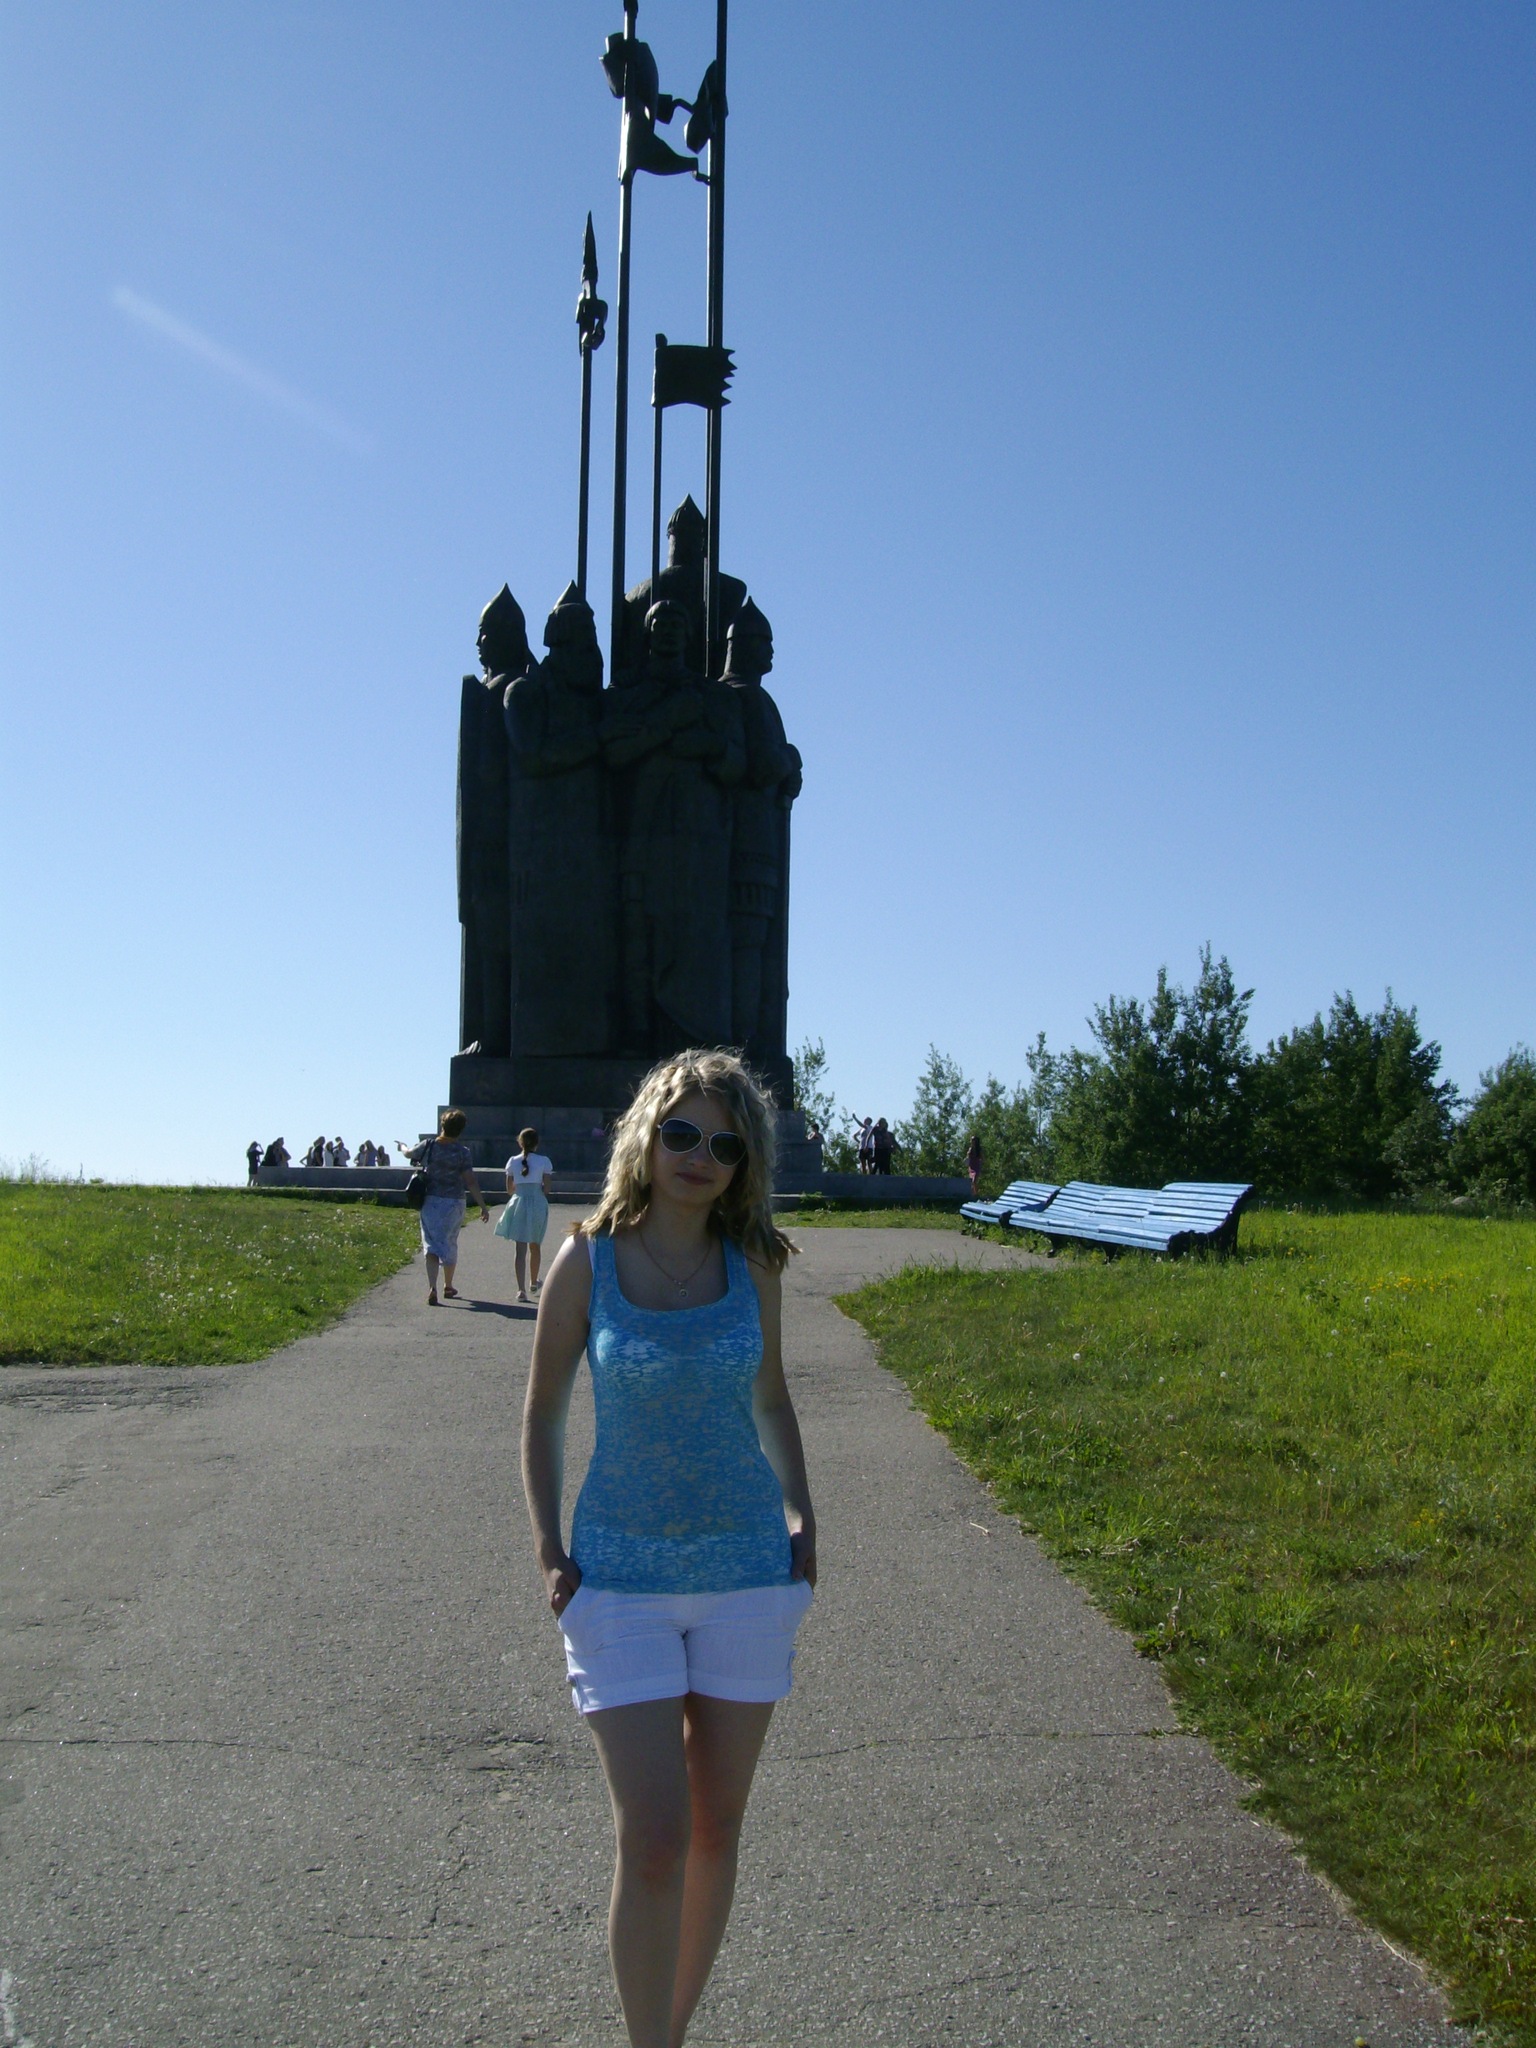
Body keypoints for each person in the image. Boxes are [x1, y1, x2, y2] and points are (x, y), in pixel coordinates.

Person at [521, 1049, 816, 2048]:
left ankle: (671, 2034)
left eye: (724, 1145)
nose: (699, 1157)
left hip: (746, 1576)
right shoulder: (588, 1259)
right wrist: (549, 1548)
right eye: (682, 1132)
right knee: (655, 1837)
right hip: (621, 1581)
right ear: (646, 1136)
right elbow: (543, 1412)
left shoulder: (754, 1263)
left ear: (745, 1164)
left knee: (716, 1828)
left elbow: (771, 1396)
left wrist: (802, 1512)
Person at [401, 1109, 488, 1305]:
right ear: (461, 1129)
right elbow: (470, 1181)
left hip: (431, 1200)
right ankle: (448, 1285)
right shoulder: (463, 1152)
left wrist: (403, 1147)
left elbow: (408, 1154)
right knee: (449, 1242)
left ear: (442, 1125)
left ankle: (432, 1287)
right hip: (454, 1202)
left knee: (431, 1244)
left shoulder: (429, 1145)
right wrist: (482, 1205)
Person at [495, 1126, 555, 1302]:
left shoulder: (512, 1161)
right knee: (535, 1245)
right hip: (537, 1202)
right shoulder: (544, 1161)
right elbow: (547, 1188)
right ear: (537, 1143)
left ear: (520, 1142)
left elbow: (509, 1190)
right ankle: (534, 1282)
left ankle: (520, 1290)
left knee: (519, 1249)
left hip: (519, 1202)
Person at [966, 1131, 983, 1197]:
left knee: (974, 1180)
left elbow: (982, 1157)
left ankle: (976, 1194)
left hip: (976, 1166)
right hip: (971, 1166)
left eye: (973, 1140)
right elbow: (968, 1156)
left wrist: (981, 1164)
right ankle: (973, 1194)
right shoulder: (970, 1149)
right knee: (971, 1181)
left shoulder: (979, 1149)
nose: (972, 1141)